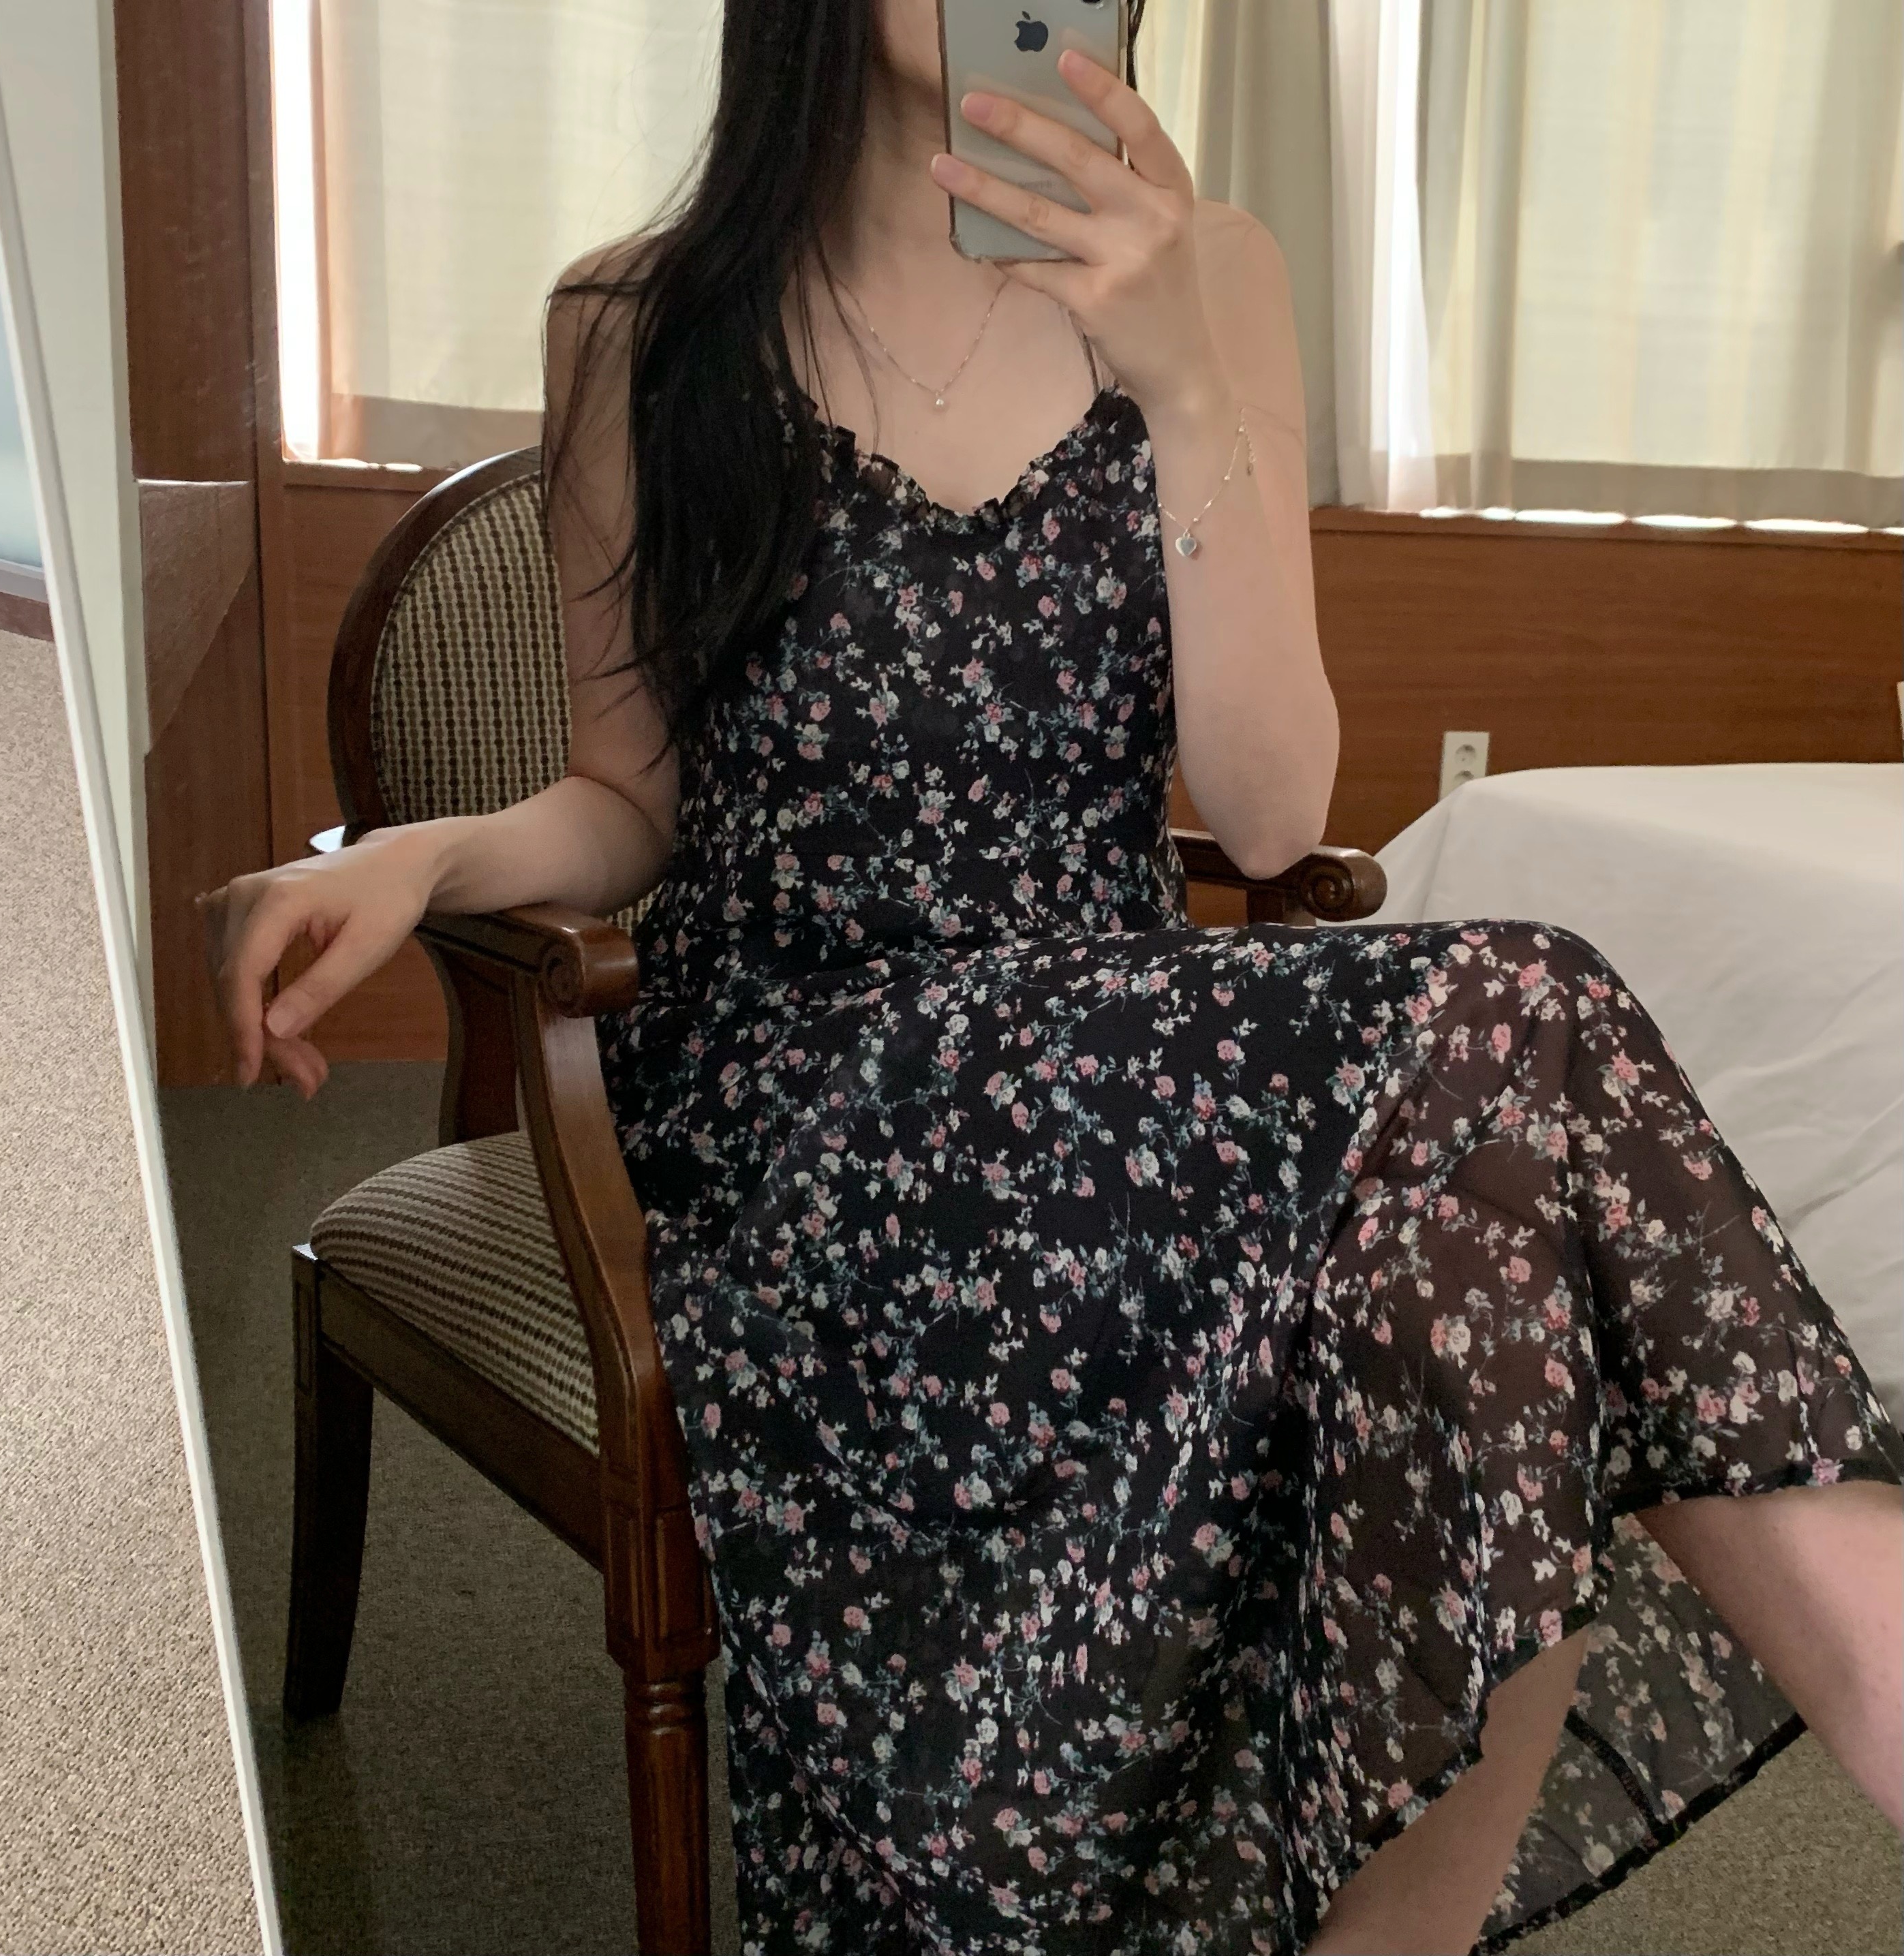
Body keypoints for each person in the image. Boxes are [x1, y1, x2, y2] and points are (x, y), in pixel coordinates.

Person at [200, 3, 1903, 1951]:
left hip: (1127, 1086)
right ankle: (1873, 1661)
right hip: (804, 1092)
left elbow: (1272, 816)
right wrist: (427, 853)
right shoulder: (639, 321)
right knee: (1518, 1011)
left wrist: (1184, 381)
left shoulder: (1213, 271)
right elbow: (628, 800)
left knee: (1471, 1273)